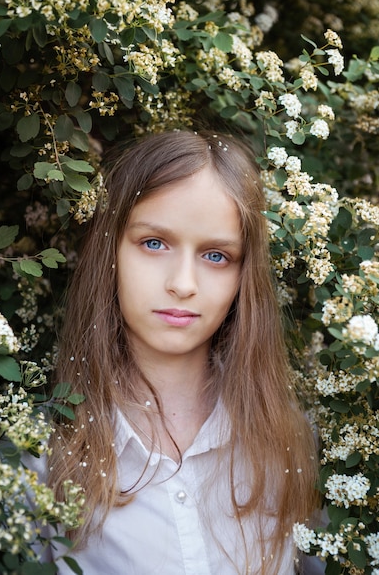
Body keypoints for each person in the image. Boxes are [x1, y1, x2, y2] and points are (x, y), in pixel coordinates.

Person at [44, 129, 319, 574]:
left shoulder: (290, 441)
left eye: (216, 255)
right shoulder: (46, 453)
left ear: (242, 276)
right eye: (154, 243)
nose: (183, 284)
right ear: (110, 249)